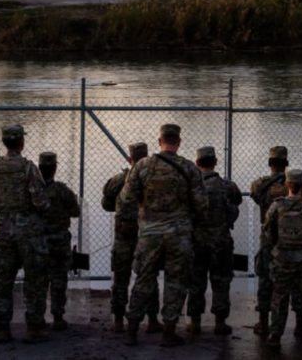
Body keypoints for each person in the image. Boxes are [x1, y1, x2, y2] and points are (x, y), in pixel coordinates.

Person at [120, 124, 209, 347]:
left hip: (149, 233)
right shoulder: (189, 168)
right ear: (178, 142)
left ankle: (132, 329)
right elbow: (201, 205)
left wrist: (139, 218)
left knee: (143, 280)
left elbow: (126, 200)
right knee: (176, 282)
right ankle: (168, 331)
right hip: (179, 234)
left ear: (159, 141)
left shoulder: (142, 166)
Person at [0, 124, 50, 343]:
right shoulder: (28, 168)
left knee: (3, 280)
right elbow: (41, 201)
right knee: (34, 280)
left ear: (4, 142)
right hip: (28, 231)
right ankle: (34, 327)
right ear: (21, 143)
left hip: (2, 230)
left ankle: (3, 328)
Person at [250, 146, 302, 337]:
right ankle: (300, 324)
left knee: (266, 280)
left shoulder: (259, 185)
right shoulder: (297, 185)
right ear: (286, 164)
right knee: (297, 281)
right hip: (295, 239)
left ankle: (263, 323)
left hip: (270, 239)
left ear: (270, 163)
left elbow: (255, 195)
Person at [263, 169, 302, 351]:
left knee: (279, 297)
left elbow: (268, 234)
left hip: (282, 258)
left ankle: (275, 336)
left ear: (287, 184)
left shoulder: (276, 206)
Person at [101, 142, 162, 334]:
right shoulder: (155, 180)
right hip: (147, 235)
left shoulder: (119, 180)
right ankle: (152, 320)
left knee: (120, 278)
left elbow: (106, 204)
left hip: (123, 236)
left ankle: (119, 321)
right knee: (148, 277)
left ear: (130, 159)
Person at [186, 146, 243, 335]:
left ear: (197, 163)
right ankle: (220, 322)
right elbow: (237, 201)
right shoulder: (227, 185)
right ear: (215, 162)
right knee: (221, 281)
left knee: (196, 281)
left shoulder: (190, 186)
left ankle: (195, 322)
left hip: (197, 241)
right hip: (221, 241)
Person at [38, 152, 81, 331]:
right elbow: (75, 211)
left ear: (39, 169)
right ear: (55, 168)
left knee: (37, 280)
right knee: (59, 279)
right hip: (59, 240)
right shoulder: (63, 191)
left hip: (38, 240)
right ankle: (57, 316)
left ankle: (37, 316)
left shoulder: (32, 190)